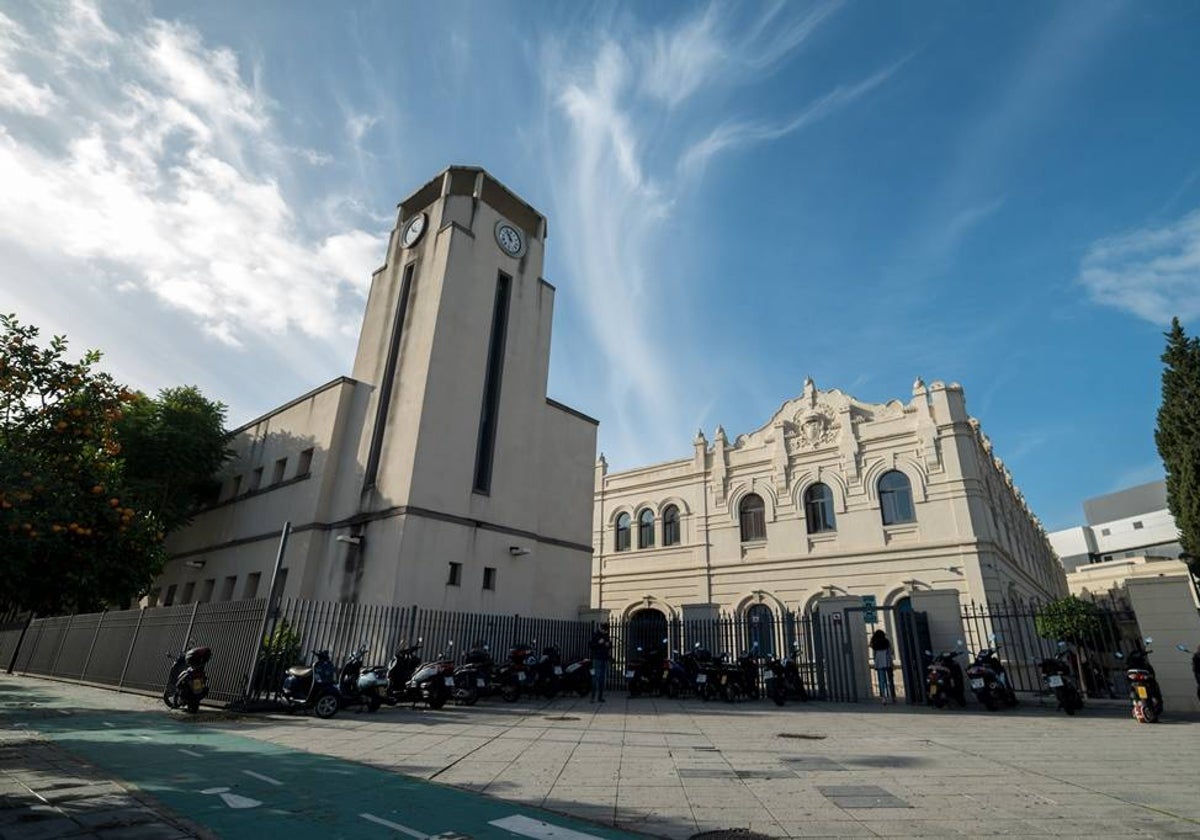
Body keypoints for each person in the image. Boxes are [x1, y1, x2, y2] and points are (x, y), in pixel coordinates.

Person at [869, 629, 895, 704]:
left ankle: (883, 697)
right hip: (887, 663)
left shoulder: (875, 644)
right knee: (890, 680)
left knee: (881, 681)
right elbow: (891, 651)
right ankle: (893, 696)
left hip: (879, 663)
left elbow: (874, 655)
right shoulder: (886, 642)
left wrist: (875, 662)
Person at [589, 622, 612, 703]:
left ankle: (600, 697)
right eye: (604, 630)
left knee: (602, 678)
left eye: (606, 631)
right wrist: (598, 643)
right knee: (595, 677)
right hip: (597, 658)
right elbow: (591, 645)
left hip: (604, 658)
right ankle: (593, 697)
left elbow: (610, 645)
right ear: (601, 629)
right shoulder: (596, 635)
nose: (605, 632)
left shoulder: (606, 635)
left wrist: (608, 644)